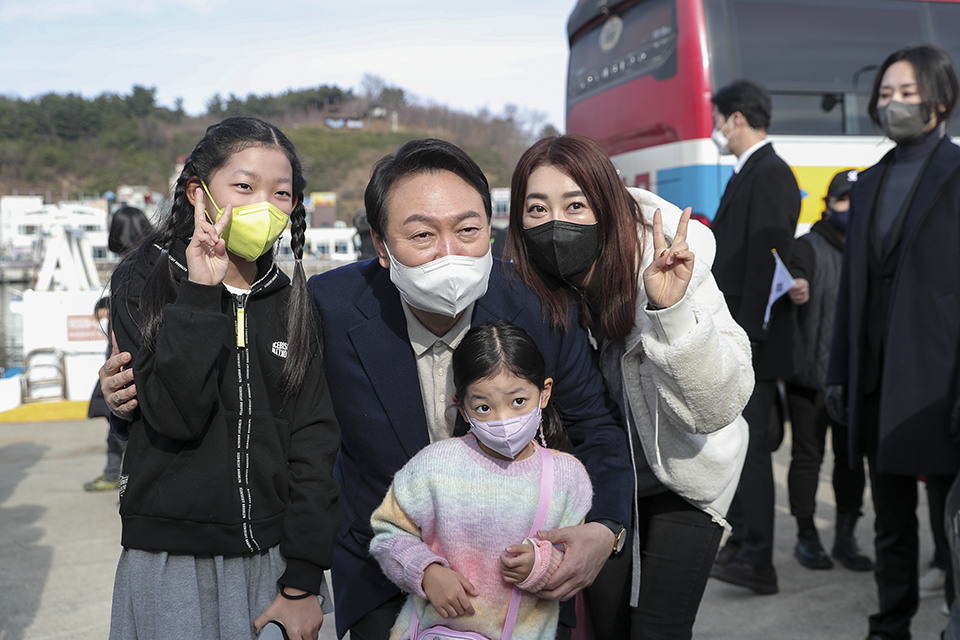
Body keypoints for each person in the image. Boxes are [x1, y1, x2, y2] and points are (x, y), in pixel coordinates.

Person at [100, 137, 634, 640]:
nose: (449, 253)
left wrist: (605, 528)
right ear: (381, 244)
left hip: (519, 580)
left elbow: (598, 428)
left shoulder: (540, 306)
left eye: (468, 231)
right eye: (422, 234)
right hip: (385, 578)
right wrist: (128, 401)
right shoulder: (327, 307)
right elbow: (250, 402)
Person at [505, 134, 754, 640]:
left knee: (658, 629)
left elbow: (714, 407)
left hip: (685, 475)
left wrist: (672, 312)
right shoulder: (529, 288)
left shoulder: (670, 265)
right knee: (606, 625)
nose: (557, 223)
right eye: (537, 208)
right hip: (601, 479)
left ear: (608, 204)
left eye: (575, 204)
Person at [106, 116, 341, 640]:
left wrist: (303, 580)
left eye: (282, 194)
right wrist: (199, 293)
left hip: (274, 561)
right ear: (198, 193)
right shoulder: (143, 281)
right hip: (167, 558)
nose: (265, 204)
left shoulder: (292, 299)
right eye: (244, 186)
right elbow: (174, 415)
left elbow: (313, 440)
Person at [825, 44, 960, 640]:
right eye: (885, 94)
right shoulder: (871, 179)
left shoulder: (956, 173)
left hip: (940, 382)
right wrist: (838, 370)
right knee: (892, 520)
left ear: (940, 100)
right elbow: (852, 289)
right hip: (877, 378)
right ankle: (891, 622)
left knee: (950, 520)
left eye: (907, 93)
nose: (894, 104)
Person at [369, 320, 593, 640]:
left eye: (518, 401)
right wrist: (426, 571)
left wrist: (541, 565)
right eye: (484, 407)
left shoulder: (568, 478)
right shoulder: (434, 466)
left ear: (544, 393)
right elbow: (388, 533)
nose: (503, 420)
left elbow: (575, 561)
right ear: (463, 408)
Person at [707, 79, 801, 595]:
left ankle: (758, 558)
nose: (718, 129)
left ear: (736, 118)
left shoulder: (769, 173)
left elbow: (769, 263)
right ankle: (744, 545)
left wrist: (750, 338)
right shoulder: (751, 172)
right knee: (742, 446)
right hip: (740, 337)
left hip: (752, 343)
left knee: (754, 448)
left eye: (720, 118)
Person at [784, 169, 872, 572]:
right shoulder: (807, 247)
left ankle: (845, 538)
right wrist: (796, 286)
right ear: (827, 204)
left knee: (851, 460)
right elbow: (791, 281)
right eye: (842, 201)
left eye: (856, 201)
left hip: (855, 378)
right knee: (808, 457)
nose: (849, 209)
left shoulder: (871, 247)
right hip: (810, 376)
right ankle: (807, 537)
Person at [83, 206, 152, 492]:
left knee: (119, 419)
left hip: (121, 357)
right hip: (146, 358)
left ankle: (120, 476)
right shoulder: (156, 262)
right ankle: (119, 473)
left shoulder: (124, 269)